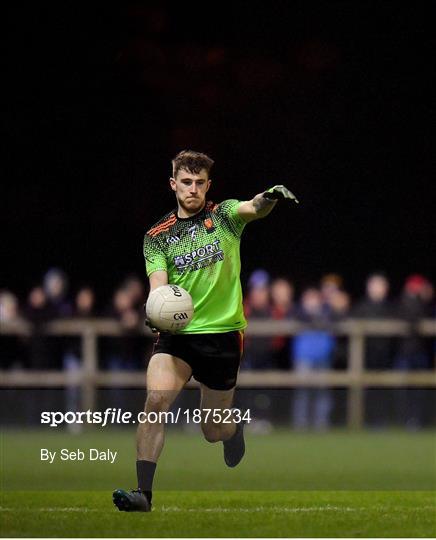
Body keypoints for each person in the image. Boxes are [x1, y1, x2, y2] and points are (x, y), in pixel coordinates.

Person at [113, 149, 299, 512]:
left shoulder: (225, 215)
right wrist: (155, 310)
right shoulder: (157, 236)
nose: (193, 189)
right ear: (173, 184)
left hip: (223, 337)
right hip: (178, 336)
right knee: (155, 402)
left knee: (212, 430)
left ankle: (233, 431)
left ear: (208, 185)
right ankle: (143, 495)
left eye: (200, 183)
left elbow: (253, 207)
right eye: (186, 182)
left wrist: (269, 197)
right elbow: (158, 286)